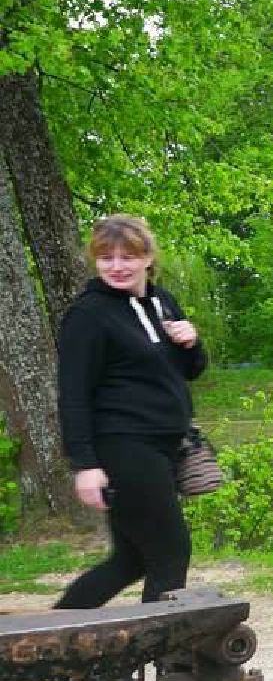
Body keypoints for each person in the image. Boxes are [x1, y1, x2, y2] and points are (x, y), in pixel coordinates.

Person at [54, 215, 208, 609]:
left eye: (128, 256)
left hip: (165, 444)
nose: (117, 266)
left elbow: (189, 371)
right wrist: (85, 464)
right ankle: (162, 659)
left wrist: (191, 342)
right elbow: (73, 395)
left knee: (131, 559)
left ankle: (49, 639)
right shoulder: (88, 315)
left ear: (148, 258)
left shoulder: (162, 303)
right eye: (106, 258)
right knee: (171, 551)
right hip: (123, 446)